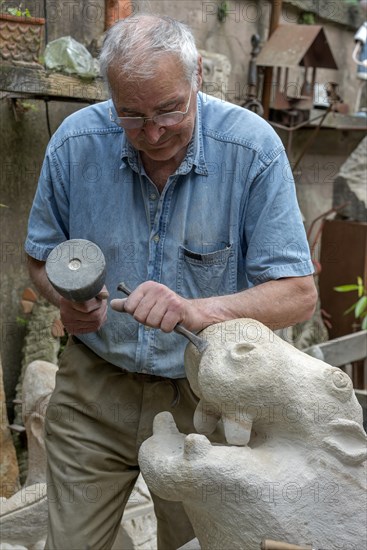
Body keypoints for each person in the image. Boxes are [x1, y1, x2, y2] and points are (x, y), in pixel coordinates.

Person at [25, 13, 317, 550]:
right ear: (109, 95)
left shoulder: (252, 151)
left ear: (197, 76)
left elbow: (297, 293)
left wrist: (196, 310)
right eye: (131, 116)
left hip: (204, 400)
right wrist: (67, 302)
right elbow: (41, 258)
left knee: (195, 546)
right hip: (94, 390)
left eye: (168, 110)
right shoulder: (75, 143)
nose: (152, 132)